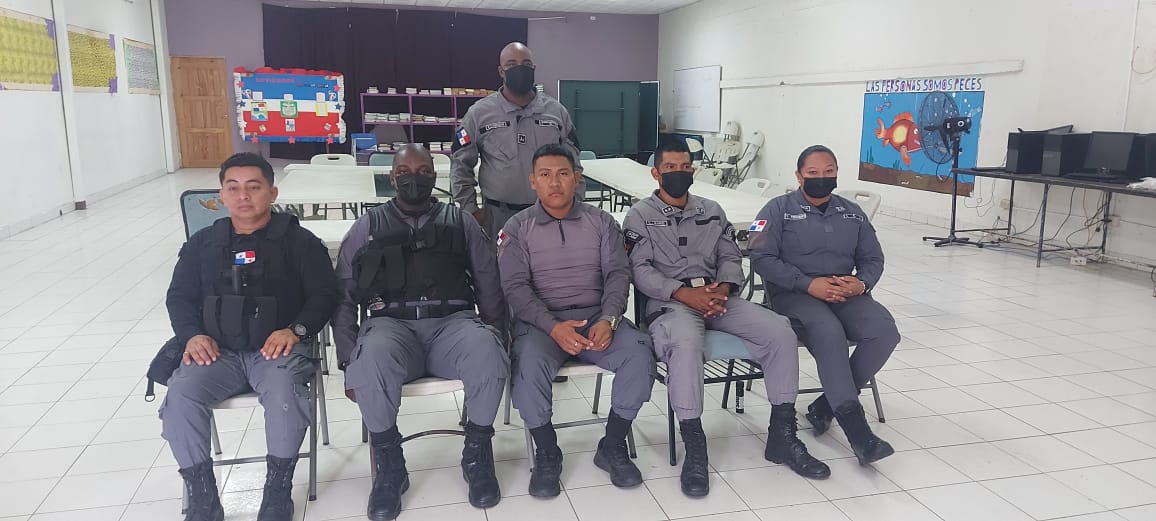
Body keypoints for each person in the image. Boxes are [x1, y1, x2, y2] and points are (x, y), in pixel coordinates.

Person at [624, 139, 829, 498]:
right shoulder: (639, 215)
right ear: (656, 173)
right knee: (686, 344)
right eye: (670, 167)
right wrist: (684, 293)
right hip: (670, 303)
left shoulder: (712, 210)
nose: (679, 173)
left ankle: (782, 434)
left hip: (719, 298)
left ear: (693, 169)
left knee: (780, 331)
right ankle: (695, 446)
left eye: (685, 166)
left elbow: (731, 256)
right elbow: (639, 270)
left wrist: (723, 288)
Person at [332, 144, 509, 520]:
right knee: (369, 360)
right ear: (392, 177)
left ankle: (477, 454)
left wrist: (499, 336)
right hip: (391, 326)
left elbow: (489, 283)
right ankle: (390, 467)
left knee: (487, 350)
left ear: (435, 176)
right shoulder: (369, 225)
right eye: (405, 172)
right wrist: (347, 357)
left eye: (424, 171)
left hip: (452, 324)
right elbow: (344, 293)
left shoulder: (461, 221)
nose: (415, 178)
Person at [162, 152, 338, 521]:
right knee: (179, 397)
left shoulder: (300, 242)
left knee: (286, 395)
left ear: (272, 193)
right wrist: (191, 336)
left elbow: (325, 294)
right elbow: (179, 297)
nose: (243, 196)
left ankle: (277, 490)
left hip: (276, 352)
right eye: (233, 188)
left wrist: (296, 330)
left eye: (253, 187)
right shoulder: (202, 245)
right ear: (221, 195)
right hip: (217, 353)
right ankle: (203, 497)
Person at [498, 144, 656, 497]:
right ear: (533, 182)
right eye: (545, 175)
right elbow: (515, 288)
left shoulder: (601, 222)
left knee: (640, 354)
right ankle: (547, 452)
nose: (554, 183)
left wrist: (610, 319)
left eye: (563, 174)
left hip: (596, 319)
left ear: (577, 178)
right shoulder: (517, 227)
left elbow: (618, 274)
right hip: (542, 325)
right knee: (527, 368)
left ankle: (612, 445)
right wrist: (553, 327)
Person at [749, 144, 900, 466]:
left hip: (845, 292)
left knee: (884, 332)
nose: (821, 177)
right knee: (829, 333)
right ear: (799, 176)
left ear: (836, 173)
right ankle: (858, 432)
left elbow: (873, 258)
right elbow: (760, 256)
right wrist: (807, 284)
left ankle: (825, 405)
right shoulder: (775, 209)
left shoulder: (852, 212)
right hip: (794, 294)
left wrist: (861, 283)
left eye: (828, 171)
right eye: (813, 172)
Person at [451, 41, 583, 238]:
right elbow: (460, 165)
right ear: (501, 71)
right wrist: (470, 210)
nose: (520, 69)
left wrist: (575, 206)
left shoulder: (556, 112)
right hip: (498, 216)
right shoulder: (479, 114)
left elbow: (574, 165)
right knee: (499, 260)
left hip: (550, 213)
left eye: (526, 64)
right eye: (512, 64)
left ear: (534, 68)